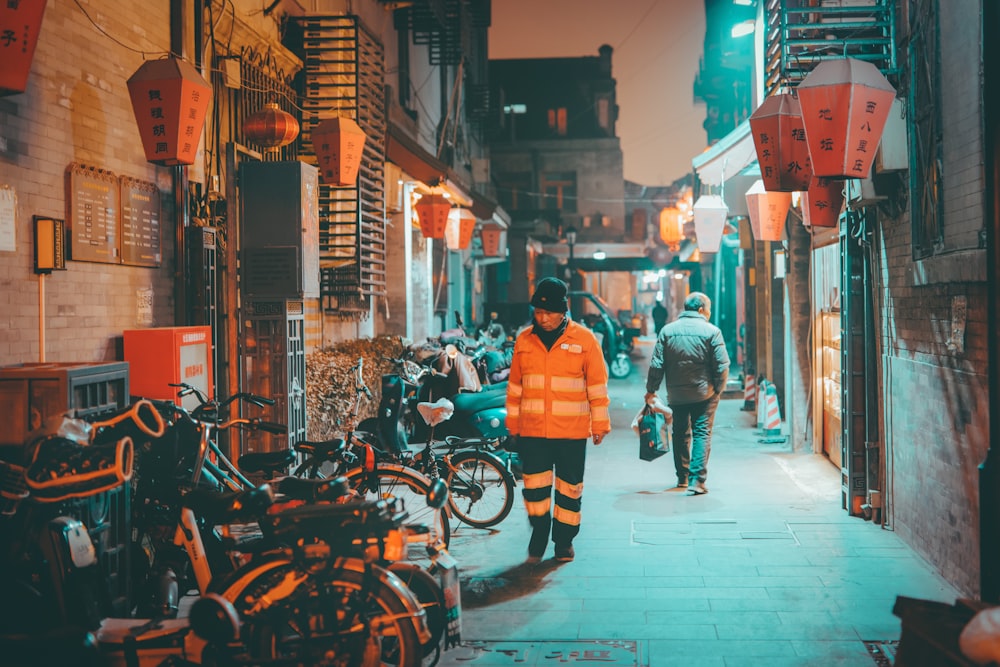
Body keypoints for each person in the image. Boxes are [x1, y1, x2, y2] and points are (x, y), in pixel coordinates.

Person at [506, 277, 611, 563]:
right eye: (538, 313)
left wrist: (599, 425)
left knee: (569, 490)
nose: (543, 318)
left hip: (571, 432)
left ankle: (564, 541)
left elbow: (597, 388)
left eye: (549, 313)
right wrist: (512, 425)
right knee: (534, 490)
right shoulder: (524, 340)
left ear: (562, 312)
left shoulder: (584, 339)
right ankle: (539, 532)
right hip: (533, 431)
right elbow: (515, 387)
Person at [644, 292, 730, 495]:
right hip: (704, 394)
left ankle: (682, 477)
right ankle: (697, 481)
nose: (709, 313)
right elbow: (722, 365)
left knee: (680, 433)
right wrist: (719, 388)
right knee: (702, 433)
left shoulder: (667, 331)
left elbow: (656, 365)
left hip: (677, 394)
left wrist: (651, 390)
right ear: (701, 309)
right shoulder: (712, 332)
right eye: (708, 309)